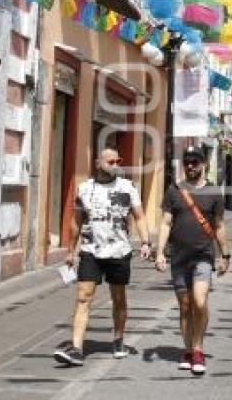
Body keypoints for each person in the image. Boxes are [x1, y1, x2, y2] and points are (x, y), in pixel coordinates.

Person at [53, 148, 151, 367]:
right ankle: (77, 348)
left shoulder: (128, 187)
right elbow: (76, 221)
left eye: (118, 160)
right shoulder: (85, 188)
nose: (116, 164)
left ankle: (118, 340)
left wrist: (145, 242)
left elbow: (140, 216)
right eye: (111, 161)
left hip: (119, 251)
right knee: (83, 297)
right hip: (91, 252)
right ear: (98, 163)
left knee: (118, 299)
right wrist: (71, 251)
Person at [156, 147, 231, 376]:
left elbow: (219, 225)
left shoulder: (214, 192)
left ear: (203, 164)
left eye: (195, 162)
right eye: (187, 162)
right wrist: (160, 252)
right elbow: (166, 223)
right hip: (179, 257)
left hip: (203, 256)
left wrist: (225, 254)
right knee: (185, 306)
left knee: (199, 302)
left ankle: (198, 349)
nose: (190, 166)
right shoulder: (174, 191)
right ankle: (188, 350)